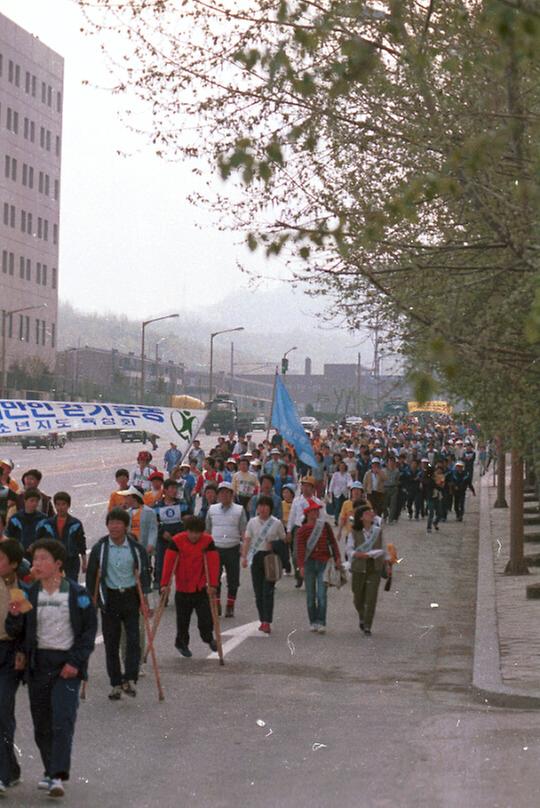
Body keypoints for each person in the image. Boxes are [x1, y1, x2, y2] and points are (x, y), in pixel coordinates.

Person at [7, 538, 97, 798]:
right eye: (35, 559)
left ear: (58, 564)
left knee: (62, 719)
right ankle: (50, 771)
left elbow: (88, 630)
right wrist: (14, 614)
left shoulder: (77, 594)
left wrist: (75, 662)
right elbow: (17, 630)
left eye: (43, 558)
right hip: (39, 665)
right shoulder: (29, 593)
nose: (37, 563)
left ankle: (57, 776)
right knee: (42, 723)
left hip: (67, 665)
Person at [86, 508, 151, 700]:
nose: (114, 527)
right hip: (110, 599)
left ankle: (129, 678)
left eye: (118, 523)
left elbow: (144, 574)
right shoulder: (101, 548)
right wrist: (92, 598)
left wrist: (146, 600)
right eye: (111, 523)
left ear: (125, 526)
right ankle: (115, 683)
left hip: (131, 597)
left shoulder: (135, 548)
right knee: (111, 644)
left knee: (133, 641)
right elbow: (92, 575)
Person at [160, 515, 219, 658]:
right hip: (183, 588)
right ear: (187, 531)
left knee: (205, 618)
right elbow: (169, 564)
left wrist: (212, 584)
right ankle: (181, 643)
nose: (194, 536)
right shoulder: (177, 541)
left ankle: (209, 638)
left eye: (197, 533)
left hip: (200, 588)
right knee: (183, 621)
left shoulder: (208, 541)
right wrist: (164, 584)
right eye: (191, 532)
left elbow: (213, 564)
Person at [0, 539, 26, 795]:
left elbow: (24, 630)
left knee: (2, 711)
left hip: (8, 656)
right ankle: (10, 769)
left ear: (14, 565)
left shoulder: (20, 591)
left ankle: (4, 773)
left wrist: (20, 651)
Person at [241, 495, 286, 634]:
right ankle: (262, 619)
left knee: (268, 591)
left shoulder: (276, 523)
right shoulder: (252, 522)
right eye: (260, 505)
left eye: (266, 506)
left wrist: (274, 544)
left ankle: (267, 621)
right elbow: (247, 539)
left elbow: (284, 540)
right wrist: (244, 557)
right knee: (258, 591)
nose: (263, 508)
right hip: (256, 557)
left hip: (270, 558)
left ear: (270, 508)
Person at [296, 500, 342, 633]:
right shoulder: (302, 530)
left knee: (322, 595)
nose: (316, 512)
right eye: (313, 510)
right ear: (308, 513)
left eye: (317, 510)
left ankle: (321, 621)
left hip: (324, 563)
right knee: (310, 596)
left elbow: (333, 543)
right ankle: (313, 621)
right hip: (309, 564)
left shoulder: (324, 526)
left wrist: (337, 557)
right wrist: (300, 566)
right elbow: (300, 550)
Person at [205, 482, 247, 617]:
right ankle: (216, 603)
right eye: (221, 492)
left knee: (233, 579)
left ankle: (230, 604)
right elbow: (207, 529)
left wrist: (244, 549)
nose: (224, 495)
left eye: (227, 492)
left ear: (232, 494)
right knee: (215, 578)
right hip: (216, 548)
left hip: (233, 547)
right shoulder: (212, 510)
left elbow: (243, 530)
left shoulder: (239, 510)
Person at [347, 505, 385, 635]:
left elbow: (383, 548)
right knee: (358, 597)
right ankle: (362, 616)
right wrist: (357, 555)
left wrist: (388, 563)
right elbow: (349, 549)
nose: (371, 514)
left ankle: (368, 625)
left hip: (374, 567)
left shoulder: (378, 531)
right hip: (359, 567)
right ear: (361, 517)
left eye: (371, 512)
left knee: (371, 597)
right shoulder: (354, 532)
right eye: (368, 513)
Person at [36, 492, 87, 582]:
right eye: (58, 504)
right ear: (55, 505)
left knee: (72, 584)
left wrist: (84, 562)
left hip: (71, 560)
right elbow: (40, 543)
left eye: (63, 504)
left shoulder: (76, 524)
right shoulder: (47, 524)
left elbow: (81, 543)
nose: (60, 507)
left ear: (68, 505)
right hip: (53, 560)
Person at [286, 476, 323, 588]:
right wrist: (288, 531)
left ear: (313, 489)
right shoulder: (297, 501)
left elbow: (322, 517)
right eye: (304, 486)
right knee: (296, 554)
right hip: (299, 529)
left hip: (312, 529)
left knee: (311, 554)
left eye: (308, 486)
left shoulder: (317, 502)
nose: (305, 488)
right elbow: (292, 516)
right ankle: (299, 576)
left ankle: (309, 577)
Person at [153, 479, 184, 589]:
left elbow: (187, 520)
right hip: (163, 541)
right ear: (165, 490)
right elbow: (154, 523)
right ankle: (163, 591)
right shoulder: (157, 506)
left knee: (182, 567)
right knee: (162, 567)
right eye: (172, 488)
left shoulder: (182, 504)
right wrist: (162, 532)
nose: (174, 491)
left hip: (179, 541)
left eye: (176, 488)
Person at [117, 486, 158, 555]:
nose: (125, 498)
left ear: (134, 498)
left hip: (144, 546)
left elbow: (153, 530)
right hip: (130, 546)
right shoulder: (126, 513)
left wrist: (151, 544)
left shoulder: (149, 512)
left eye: (127, 496)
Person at [5, 489, 47, 555]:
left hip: (37, 554)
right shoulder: (15, 519)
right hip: (19, 554)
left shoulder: (43, 519)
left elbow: (47, 538)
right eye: (32, 500)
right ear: (25, 501)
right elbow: (9, 537)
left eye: (37, 501)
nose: (34, 503)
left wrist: (36, 545)